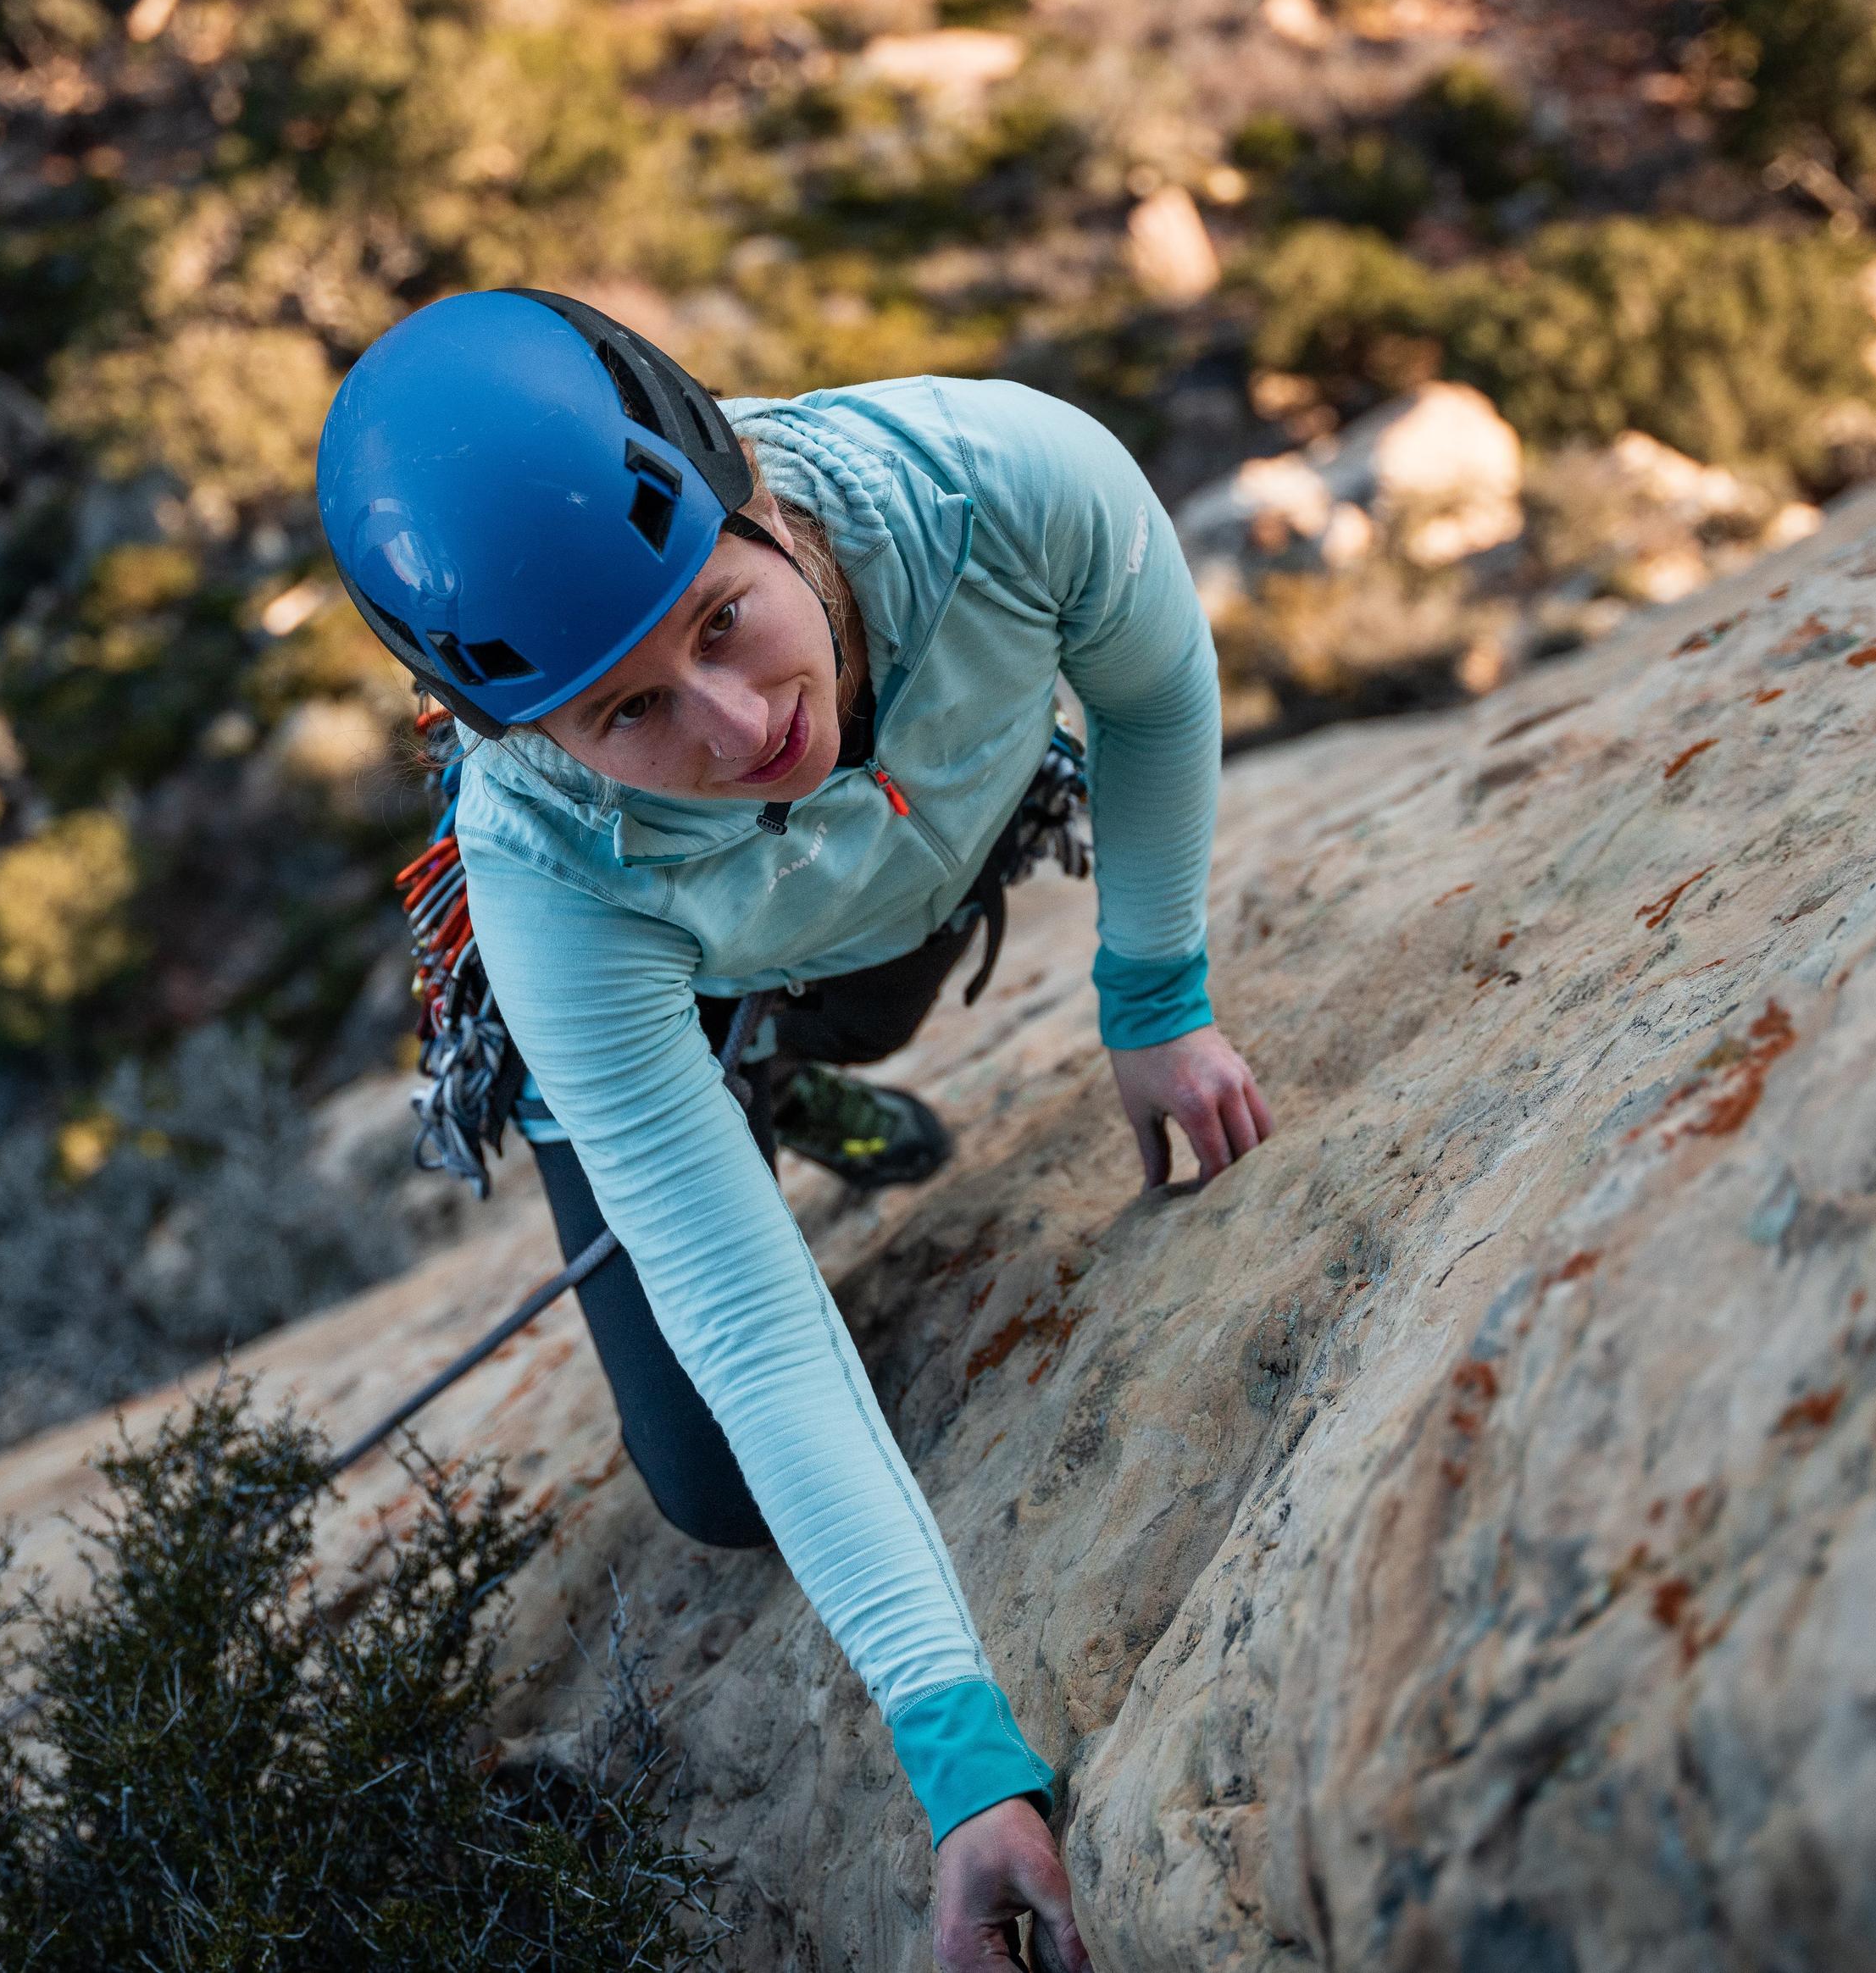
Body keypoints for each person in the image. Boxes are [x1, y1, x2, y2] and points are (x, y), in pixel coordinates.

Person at [315, 290, 1273, 1970]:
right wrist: (957, 1748)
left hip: (871, 891)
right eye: (623, 713)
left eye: (721, 617)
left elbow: (1150, 682)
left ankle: (797, 1063)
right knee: (705, 1481)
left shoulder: (997, 478)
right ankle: (716, 1097)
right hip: (664, 976)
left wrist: (1155, 996)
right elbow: (756, 1325)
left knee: (876, 970)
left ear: (755, 491)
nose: (738, 719)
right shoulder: (543, 866)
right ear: (526, 736)